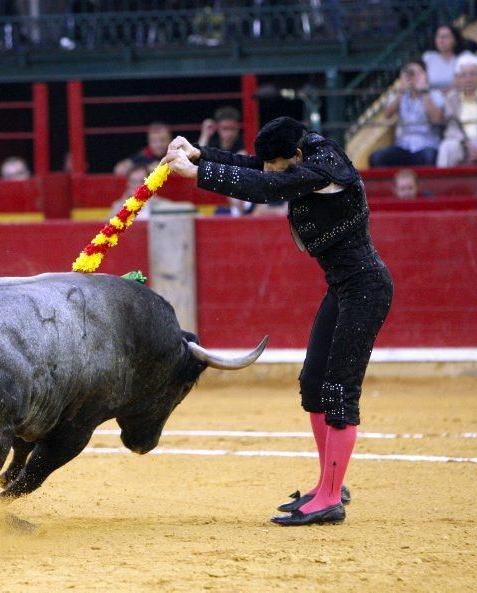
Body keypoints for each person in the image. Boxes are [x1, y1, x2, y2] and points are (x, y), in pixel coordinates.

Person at [162, 116, 393, 526]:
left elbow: (269, 186)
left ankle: (328, 498)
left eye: (278, 163)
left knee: (339, 390)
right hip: (343, 287)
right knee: (313, 384)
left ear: (298, 156)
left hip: (365, 289)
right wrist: (203, 154)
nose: (270, 168)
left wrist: (197, 174)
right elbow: (261, 169)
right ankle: (329, 485)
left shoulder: (325, 169)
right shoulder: (301, 154)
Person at [368, 61, 445, 167]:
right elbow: (388, 114)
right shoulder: (399, 94)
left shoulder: (435, 94)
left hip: (427, 145)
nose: (413, 77)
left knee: (431, 157)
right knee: (377, 157)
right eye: (409, 73)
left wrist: (424, 92)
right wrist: (401, 91)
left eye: (418, 73)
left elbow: (436, 119)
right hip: (403, 146)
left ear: (425, 75)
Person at [422, 24, 465, 93]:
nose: (441, 40)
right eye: (438, 36)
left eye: (446, 36)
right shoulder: (428, 58)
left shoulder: (463, 58)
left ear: (455, 40)